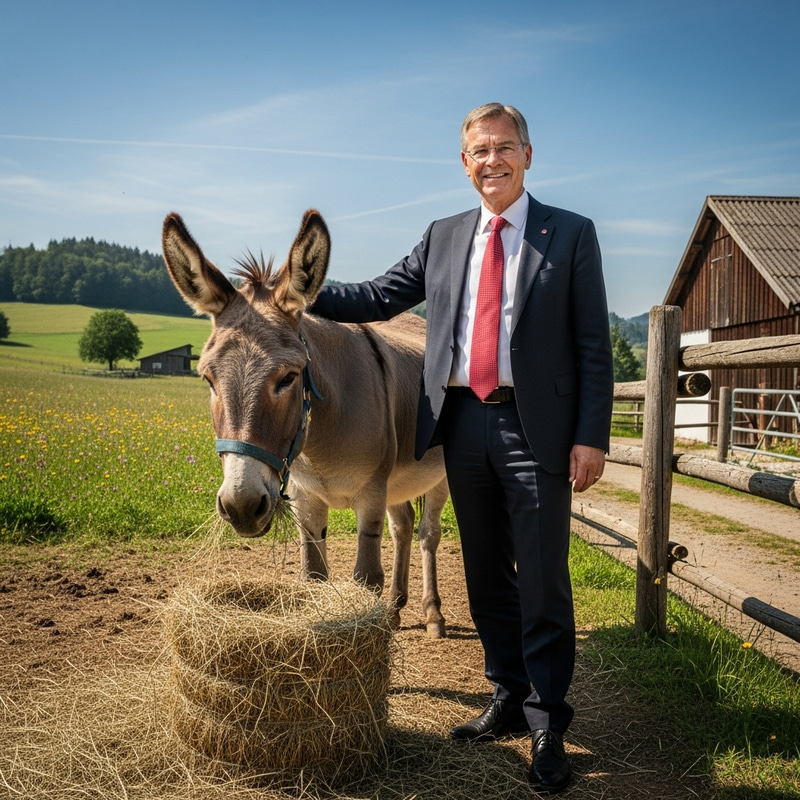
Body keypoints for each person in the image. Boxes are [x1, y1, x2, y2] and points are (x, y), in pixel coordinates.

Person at [311, 102, 614, 793]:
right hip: (461, 428)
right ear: (464, 162)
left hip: (535, 428)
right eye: (480, 150)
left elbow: (594, 347)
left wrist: (591, 436)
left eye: (505, 148)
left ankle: (546, 723)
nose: (493, 161)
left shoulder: (569, 234)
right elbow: (378, 293)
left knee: (541, 579)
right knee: (483, 577)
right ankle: (507, 695)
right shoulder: (443, 236)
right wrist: (299, 294)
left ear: (528, 155)